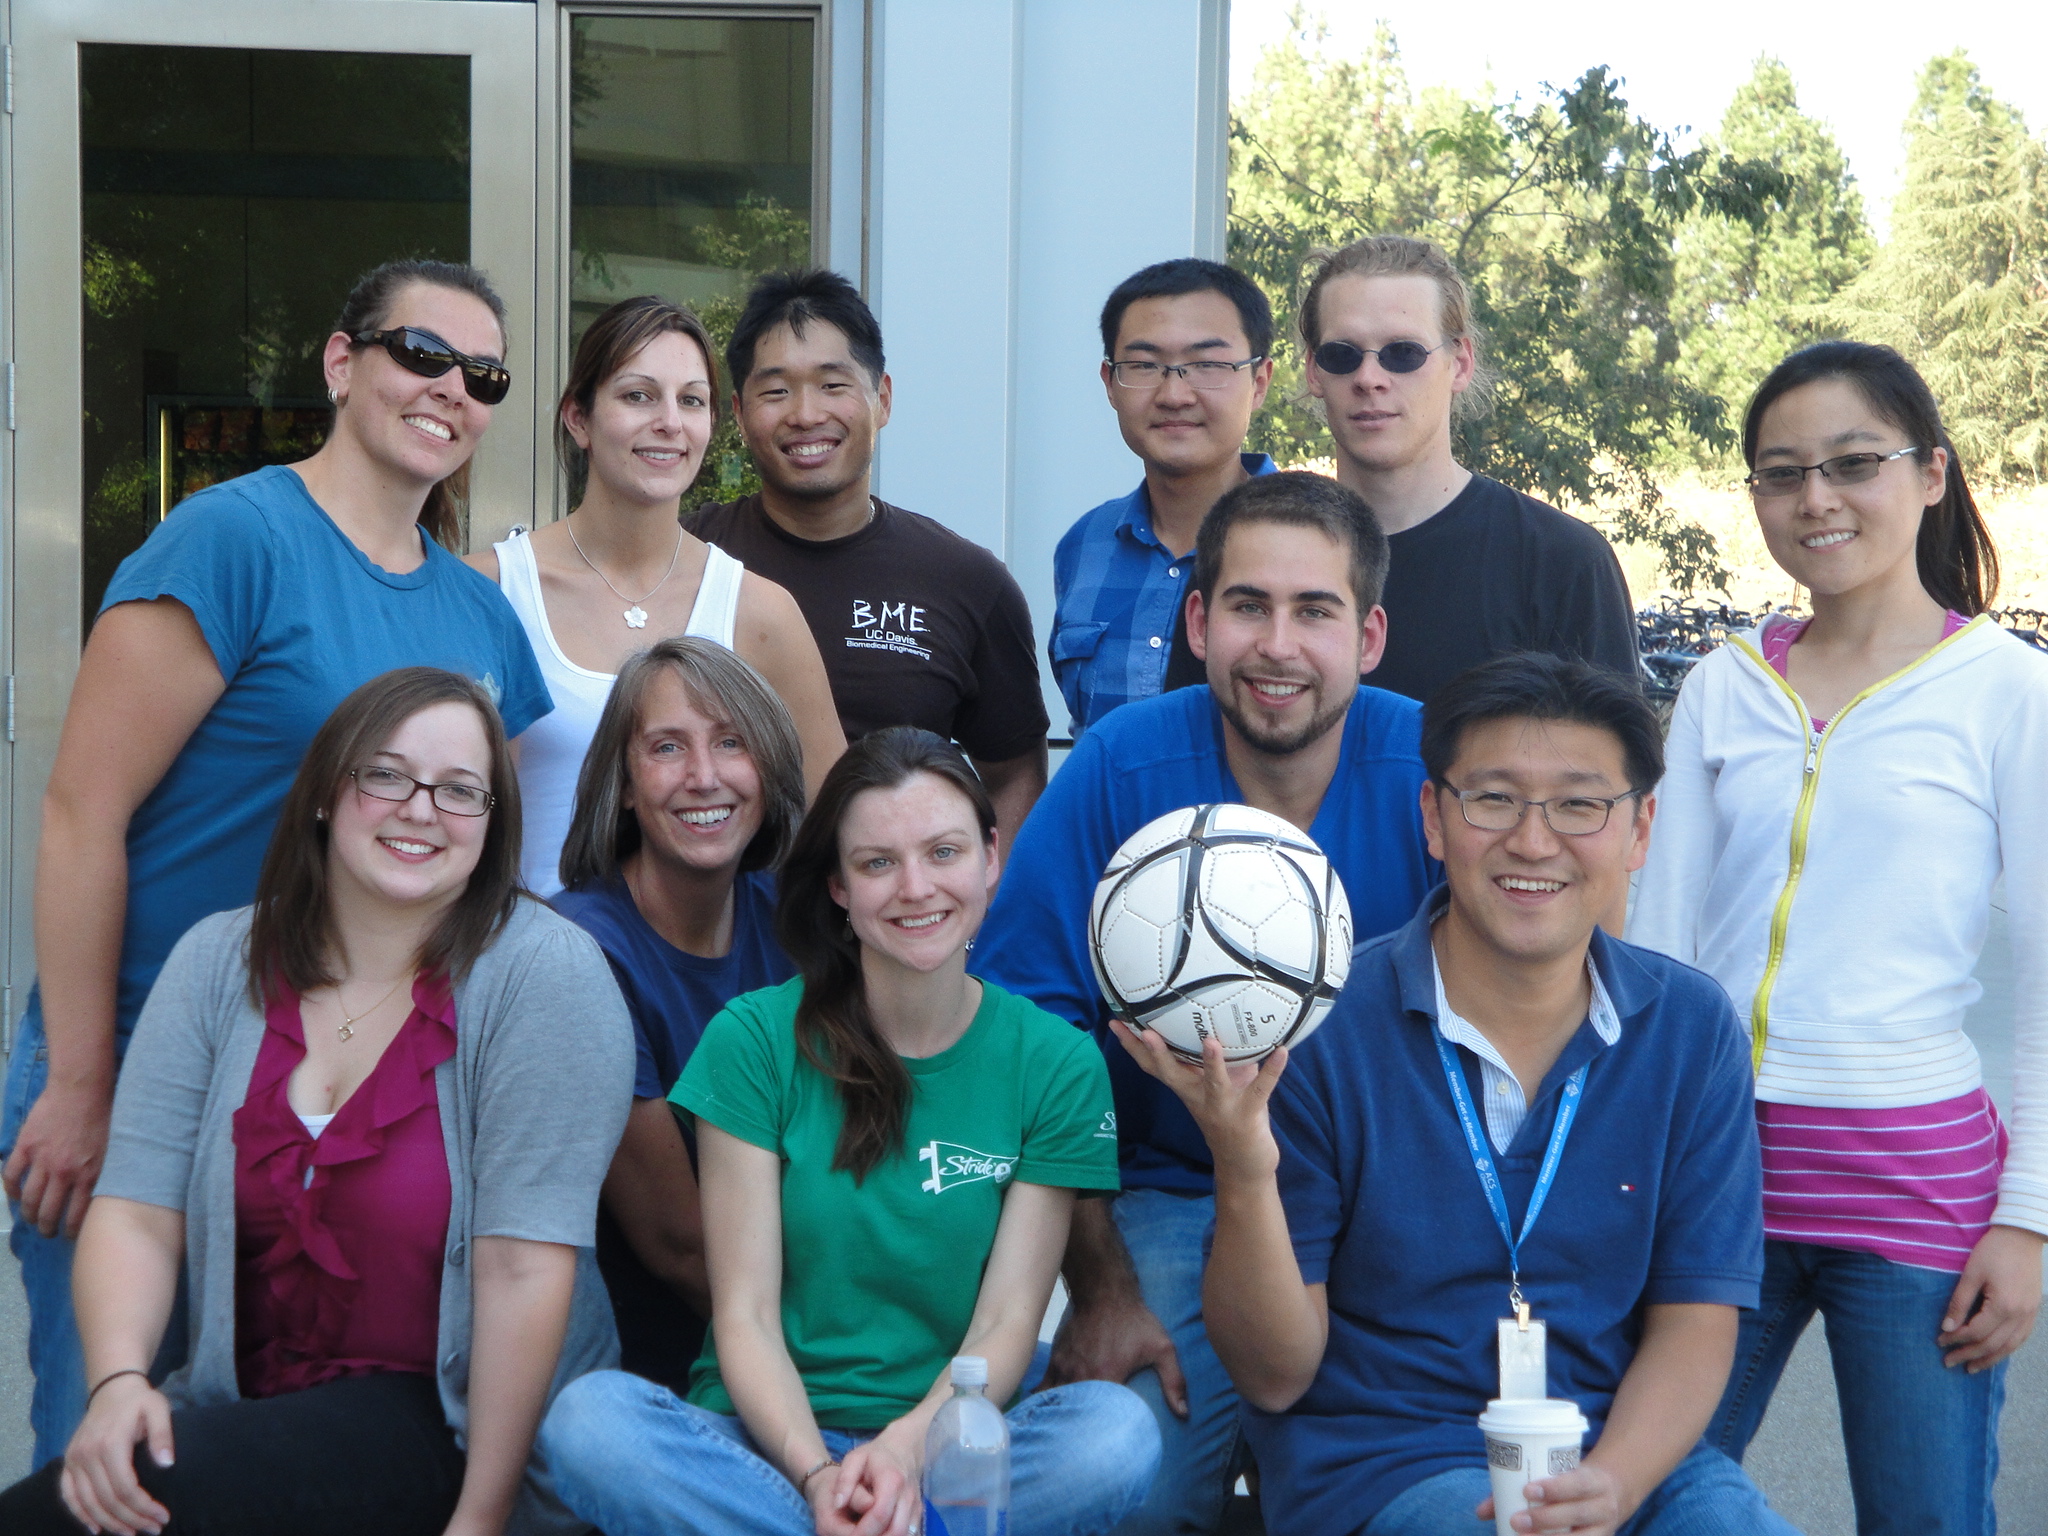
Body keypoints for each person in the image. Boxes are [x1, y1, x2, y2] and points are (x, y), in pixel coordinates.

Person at [0, 258, 553, 1467]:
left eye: (483, 376)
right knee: (109, 1448)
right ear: (341, 363)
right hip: (148, 1061)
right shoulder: (233, 539)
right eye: (422, 354)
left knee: (272, 1459)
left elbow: (466, 870)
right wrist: (81, 1079)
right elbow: (82, 815)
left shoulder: (480, 619)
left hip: (334, 1107)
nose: (451, 388)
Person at [1122, 651, 1795, 1535]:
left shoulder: (1691, 1031)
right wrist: (1242, 1165)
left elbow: (1696, 1322)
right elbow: (1274, 1375)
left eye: (1580, 804)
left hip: (1612, 1451)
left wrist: (1616, 1484)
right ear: (1433, 818)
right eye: (1494, 798)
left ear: (1640, 831)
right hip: (1384, 1466)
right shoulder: (1320, 1031)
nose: (1534, 841)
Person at [0, 667, 634, 1536]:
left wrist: (482, 1519)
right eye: (387, 775)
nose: (421, 809)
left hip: (456, 1428)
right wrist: (116, 1385)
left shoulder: (543, 977)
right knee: (106, 1481)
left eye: (459, 790)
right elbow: (139, 1211)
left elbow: (523, 1268)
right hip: (249, 1415)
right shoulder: (217, 962)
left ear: (493, 823)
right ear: (329, 793)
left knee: (87, 1514)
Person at [537, 728, 1160, 1536]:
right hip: (767, 1447)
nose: (915, 888)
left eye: (944, 852)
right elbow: (745, 1316)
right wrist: (820, 1476)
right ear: (837, 885)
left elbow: (1004, 1325)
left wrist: (901, 1454)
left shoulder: (1056, 1062)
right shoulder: (754, 1040)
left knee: (1117, 1434)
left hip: (947, 1442)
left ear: (991, 857)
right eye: (877, 863)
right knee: (588, 1422)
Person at [1628, 340, 2048, 1534]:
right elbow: (1659, 949)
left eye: (1852, 463)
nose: (1814, 498)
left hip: (1913, 1188)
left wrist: (2025, 1220)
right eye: (1781, 473)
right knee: (1644, 1494)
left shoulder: (2005, 691)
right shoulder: (1721, 686)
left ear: (1929, 474)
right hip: (1716, 1176)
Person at [975, 471, 1440, 1536]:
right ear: (1196, 623)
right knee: (1132, 1492)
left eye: (1314, 611)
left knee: (1391, 1488)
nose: (1277, 646)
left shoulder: (1434, 767)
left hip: (1389, 1206)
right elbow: (1024, 1033)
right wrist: (1099, 1284)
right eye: (1246, 606)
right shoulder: (1119, 764)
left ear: (1368, 636)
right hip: (1175, 1195)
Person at [468, 295, 843, 897]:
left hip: (707, 955)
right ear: (578, 418)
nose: (669, 421)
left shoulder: (761, 612)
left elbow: (834, 828)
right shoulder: (489, 591)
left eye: (691, 400)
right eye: (639, 395)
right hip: (522, 947)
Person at [1168, 235, 1636, 704]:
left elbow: (1610, 750)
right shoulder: (1243, 553)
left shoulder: (1561, 564)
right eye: (1342, 355)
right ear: (1313, 371)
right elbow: (1189, 737)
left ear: (1460, 363)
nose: (1369, 378)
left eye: (1404, 353)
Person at [684, 268, 1049, 853]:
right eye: (775, 392)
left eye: (833, 385)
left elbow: (1013, 776)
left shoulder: (969, 582)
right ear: (739, 412)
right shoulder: (687, 558)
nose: (806, 414)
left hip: (891, 897)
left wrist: (980, 898)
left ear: (882, 399)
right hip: (714, 898)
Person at [550, 637, 804, 1392]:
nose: (704, 776)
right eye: (667, 747)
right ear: (625, 784)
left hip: (810, 1318)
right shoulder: (580, 952)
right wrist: (839, 1377)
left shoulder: (797, 923)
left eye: (731, 742)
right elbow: (679, 1246)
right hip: (659, 1368)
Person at [1049, 258, 1276, 735]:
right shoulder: (1085, 545)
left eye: (1207, 365)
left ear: (1259, 382)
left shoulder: (1322, 544)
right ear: (1110, 383)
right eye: (1144, 365)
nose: (1174, 394)